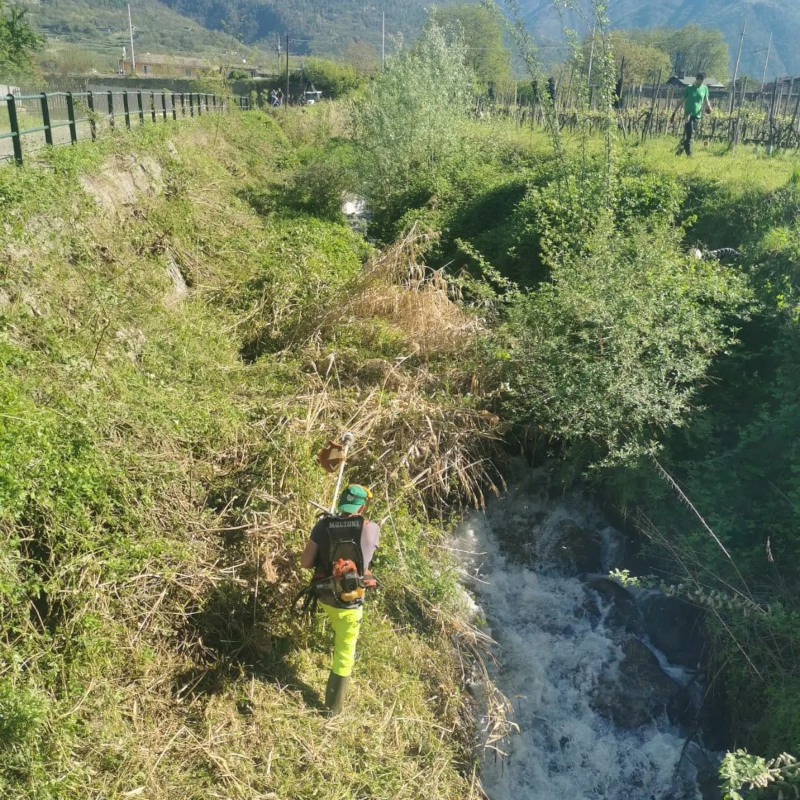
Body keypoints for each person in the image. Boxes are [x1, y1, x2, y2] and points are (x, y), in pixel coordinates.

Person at [300, 484, 380, 714]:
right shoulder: (371, 528)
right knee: (345, 652)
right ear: (363, 506)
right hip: (350, 601)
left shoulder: (322, 525)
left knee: (337, 627)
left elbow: (306, 563)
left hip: (324, 596)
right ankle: (332, 709)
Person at [671, 73, 712, 156]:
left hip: (697, 114)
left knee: (692, 134)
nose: (700, 82)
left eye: (702, 80)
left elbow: (706, 99)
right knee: (690, 134)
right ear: (696, 79)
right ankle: (689, 154)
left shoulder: (705, 88)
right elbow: (682, 100)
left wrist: (709, 107)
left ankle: (679, 151)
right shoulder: (689, 88)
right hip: (688, 113)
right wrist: (674, 112)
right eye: (699, 80)